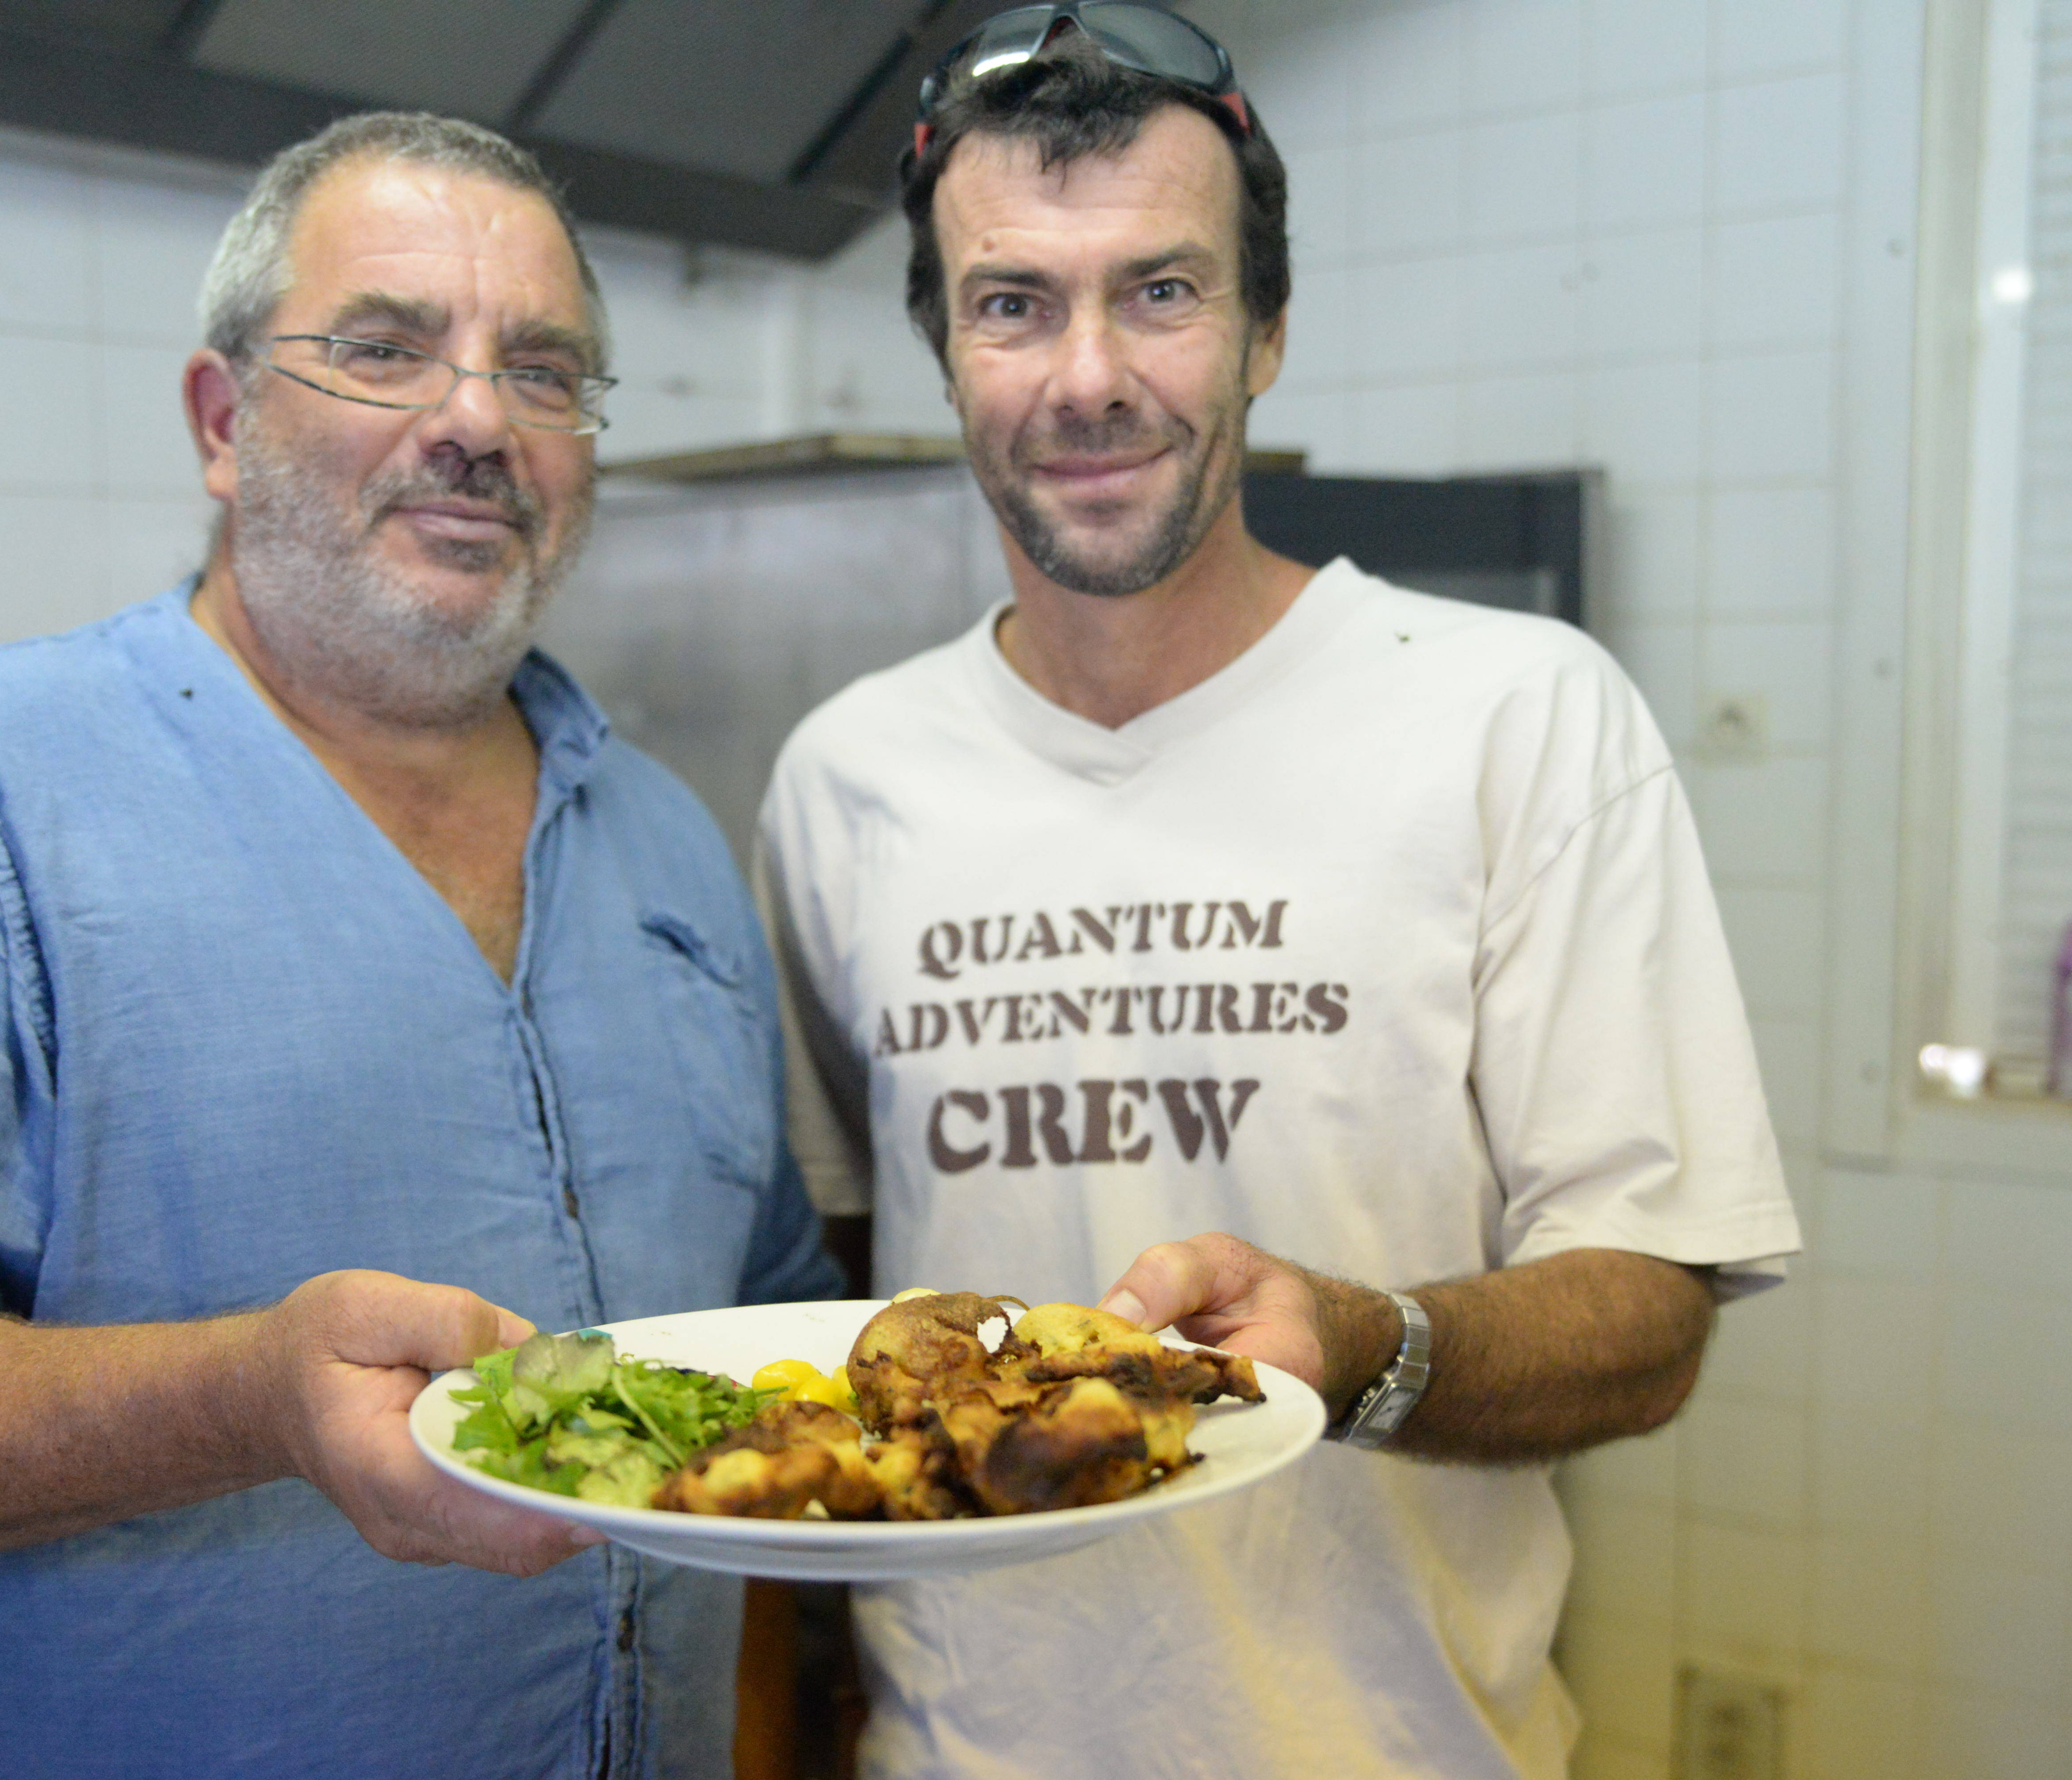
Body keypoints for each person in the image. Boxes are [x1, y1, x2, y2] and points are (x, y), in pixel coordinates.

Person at [0, 111, 837, 1780]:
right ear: (222, 420)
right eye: (383, 350)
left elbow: (764, 1395)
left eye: (544, 371)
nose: (478, 421)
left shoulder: (673, 846)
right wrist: (249, 1398)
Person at [755, 11, 1803, 1778]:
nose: (1086, 375)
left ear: (1267, 333)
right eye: (1013, 303)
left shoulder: (1512, 714)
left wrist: (1361, 1343)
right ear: (945, 351)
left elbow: (1645, 1313)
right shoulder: (844, 775)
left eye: (1159, 291)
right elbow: (850, 1287)